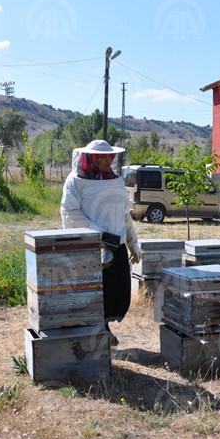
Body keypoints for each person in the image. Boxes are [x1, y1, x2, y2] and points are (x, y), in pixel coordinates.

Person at [61, 140, 141, 342]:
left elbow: (124, 215)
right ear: (91, 158)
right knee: (93, 292)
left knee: (116, 291)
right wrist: (99, 233)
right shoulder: (75, 180)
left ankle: (103, 329)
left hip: (117, 246)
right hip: (90, 246)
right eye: (103, 157)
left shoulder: (116, 180)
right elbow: (70, 212)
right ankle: (98, 333)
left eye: (110, 156)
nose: (108, 160)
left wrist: (133, 243)